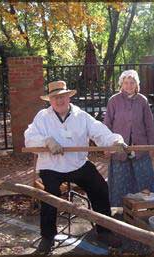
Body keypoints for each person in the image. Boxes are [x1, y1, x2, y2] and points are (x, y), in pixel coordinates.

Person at [24, 81, 126, 254]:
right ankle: (47, 237)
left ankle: (104, 231)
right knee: (49, 195)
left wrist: (115, 140)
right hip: (52, 166)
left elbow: (99, 131)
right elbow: (29, 137)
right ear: (50, 100)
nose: (59, 100)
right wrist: (46, 141)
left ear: (68, 97)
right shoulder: (42, 116)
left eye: (62, 96)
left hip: (77, 163)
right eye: (55, 97)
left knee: (100, 187)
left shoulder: (81, 116)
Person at [104, 70, 154, 207]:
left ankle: (144, 208)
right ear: (121, 84)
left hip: (140, 148)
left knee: (142, 180)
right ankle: (119, 210)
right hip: (119, 149)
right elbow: (107, 125)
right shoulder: (114, 100)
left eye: (132, 82)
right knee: (120, 182)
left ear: (136, 84)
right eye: (126, 83)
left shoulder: (142, 101)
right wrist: (106, 145)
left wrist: (151, 146)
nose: (129, 86)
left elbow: (149, 125)